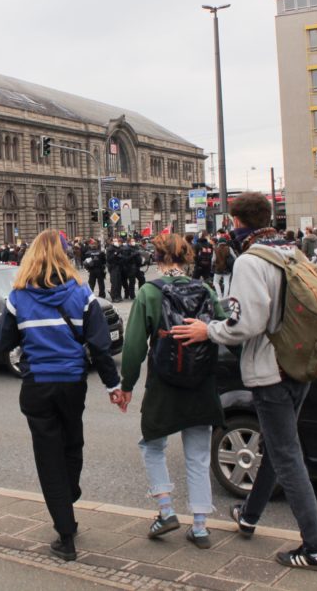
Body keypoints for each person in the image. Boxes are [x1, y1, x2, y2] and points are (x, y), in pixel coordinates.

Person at [172, 191, 317, 572]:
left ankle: (316, 547)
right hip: (299, 363)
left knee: (287, 456)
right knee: (279, 447)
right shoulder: (292, 251)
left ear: (236, 220)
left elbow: (246, 324)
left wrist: (206, 330)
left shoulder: (251, 261)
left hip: (271, 370)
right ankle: (249, 514)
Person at [0, 229, 123, 562]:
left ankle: (65, 533)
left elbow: (3, 343)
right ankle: (70, 495)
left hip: (37, 384)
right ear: (66, 256)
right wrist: (113, 386)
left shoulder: (18, 297)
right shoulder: (82, 294)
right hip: (72, 382)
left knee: (48, 457)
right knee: (72, 443)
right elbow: (99, 345)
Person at [116, 232, 225, 550]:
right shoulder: (205, 288)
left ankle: (165, 510)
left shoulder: (150, 292)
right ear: (188, 258)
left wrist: (126, 386)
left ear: (158, 257)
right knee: (199, 455)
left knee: (152, 444)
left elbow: (134, 345)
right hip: (201, 381)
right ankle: (201, 527)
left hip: (164, 381)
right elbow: (224, 324)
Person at [106, 236, 125, 301]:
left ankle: (118, 296)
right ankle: (114, 297)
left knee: (119, 282)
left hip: (119, 266)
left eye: (116, 241)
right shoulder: (110, 249)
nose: (116, 242)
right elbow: (109, 259)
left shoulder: (119, 248)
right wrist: (115, 254)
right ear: (112, 242)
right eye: (114, 241)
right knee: (114, 282)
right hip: (113, 267)